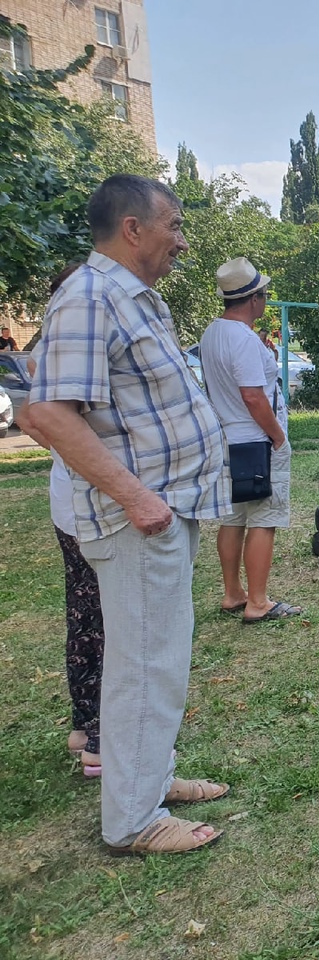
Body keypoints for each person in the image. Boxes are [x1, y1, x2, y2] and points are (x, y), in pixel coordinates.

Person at [24, 174, 231, 856]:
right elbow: (50, 413)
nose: (181, 238)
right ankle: (133, 821)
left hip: (164, 513)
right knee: (144, 664)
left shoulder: (133, 299)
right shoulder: (88, 297)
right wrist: (138, 498)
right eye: (173, 223)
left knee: (158, 657)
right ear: (133, 228)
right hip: (138, 519)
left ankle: (151, 779)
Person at [15, 264, 105, 778]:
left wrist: (67, 456)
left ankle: (82, 724)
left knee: (83, 614)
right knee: (107, 622)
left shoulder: (44, 347)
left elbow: (32, 415)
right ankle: (99, 739)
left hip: (68, 503)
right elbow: (36, 418)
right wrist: (81, 456)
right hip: (87, 505)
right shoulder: (69, 345)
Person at [199, 257, 300, 623]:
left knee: (233, 517)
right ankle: (258, 601)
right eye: (264, 295)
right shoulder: (242, 338)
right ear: (254, 298)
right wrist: (278, 437)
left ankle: (233, 592)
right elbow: (253, 396)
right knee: (263, 519)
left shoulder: (213, 333)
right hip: (256, 440)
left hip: (226, 437)